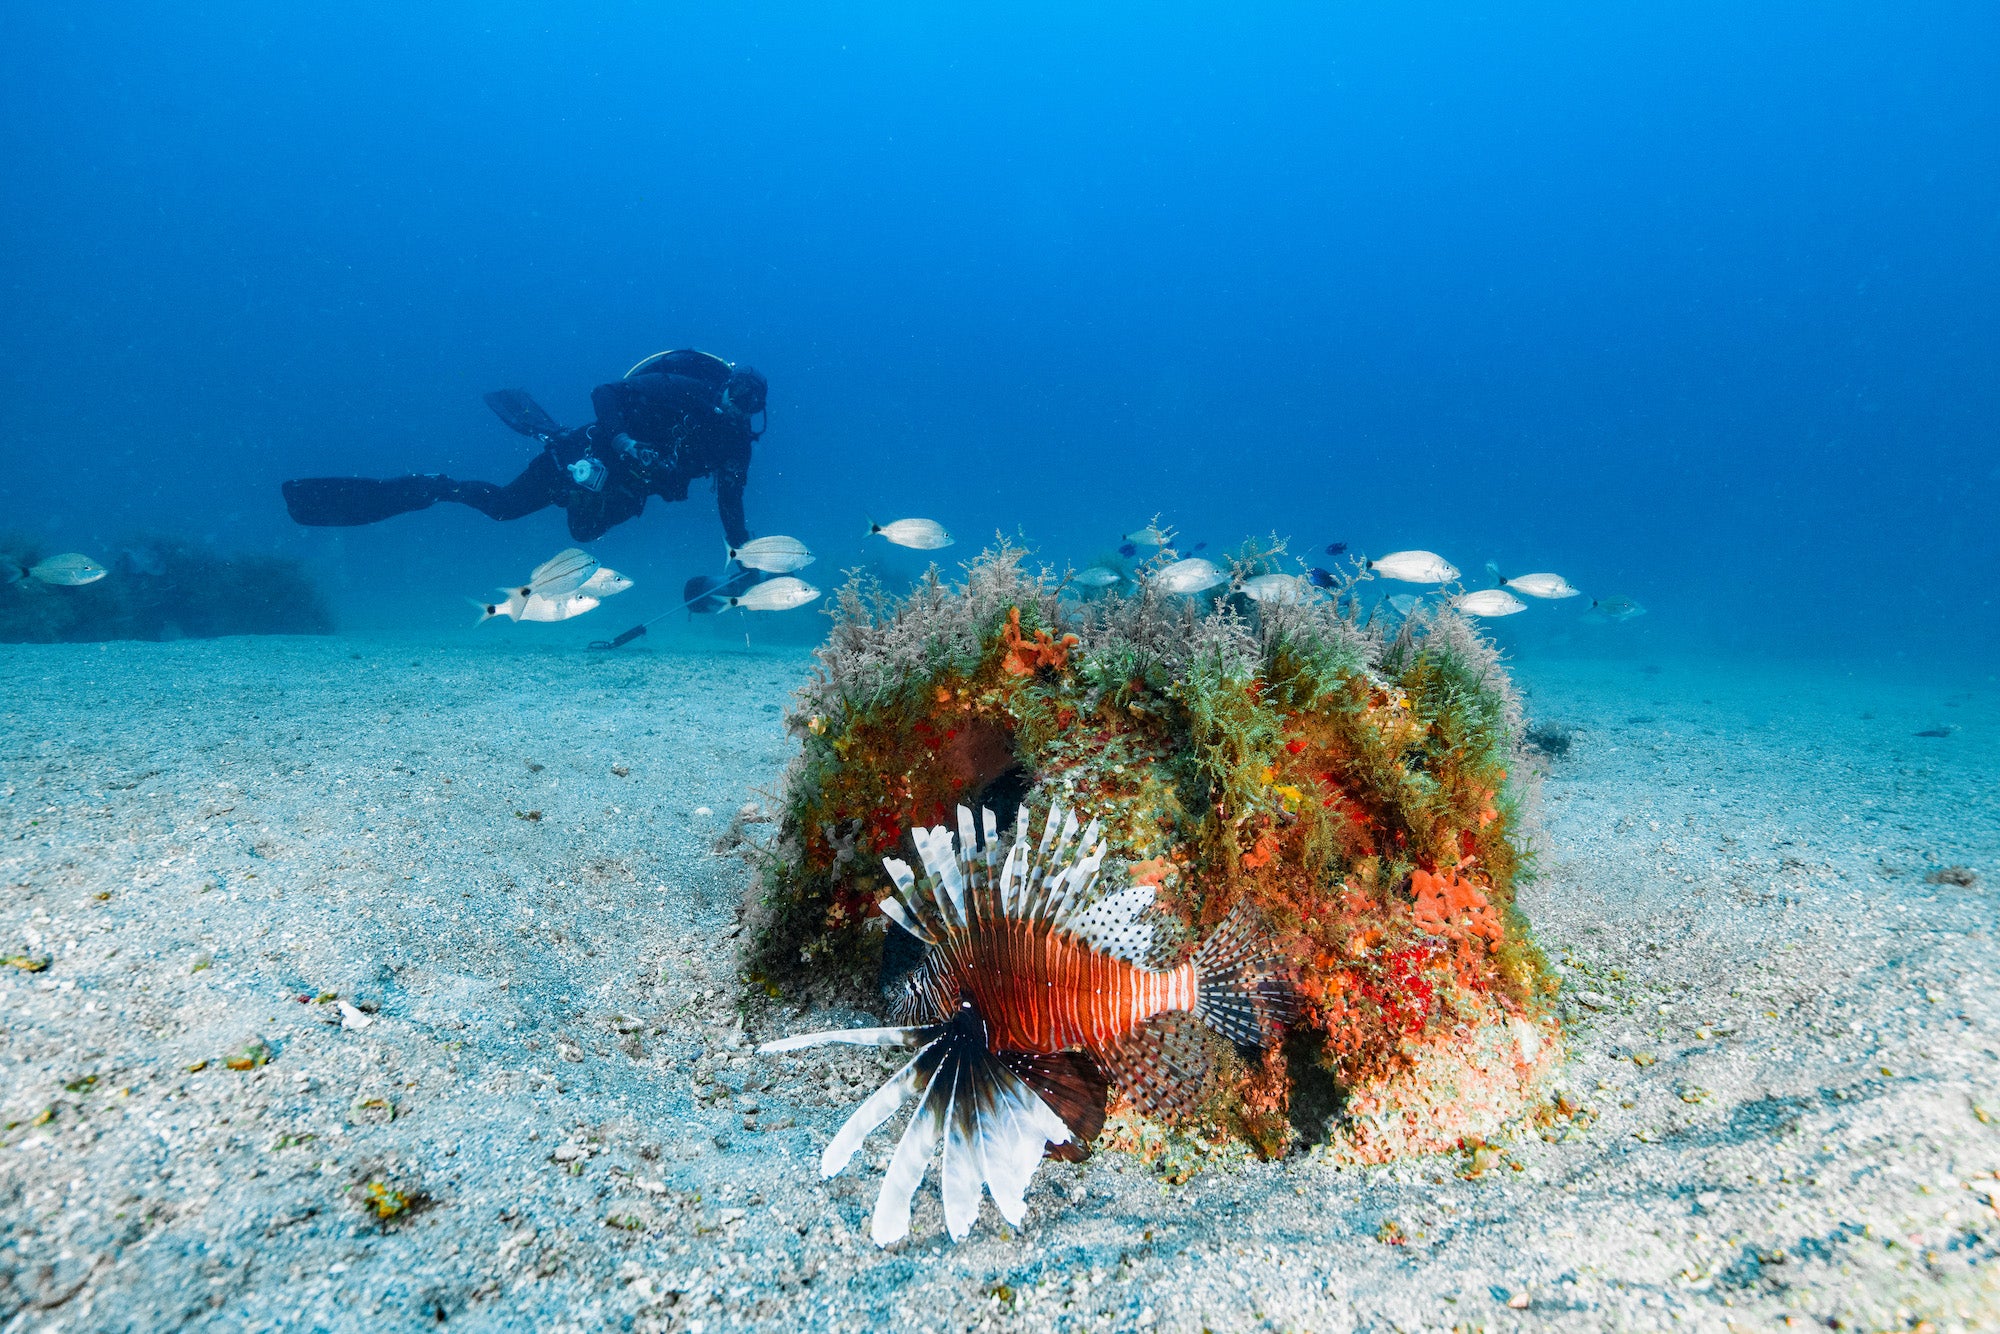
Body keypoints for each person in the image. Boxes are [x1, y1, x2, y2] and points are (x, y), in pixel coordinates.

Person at [281, 350, 766, 547]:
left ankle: (580, 496)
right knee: (504, 507)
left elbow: (731, 500)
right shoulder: (685, 390)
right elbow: (606, 393)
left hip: (626, 492)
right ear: (725, 385)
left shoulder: (736, 445)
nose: (738, 408)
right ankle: (435, 487)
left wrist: (742, 552)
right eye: (737, 394)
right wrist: (622, 439)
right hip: (587, 452)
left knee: (583, 534)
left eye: (750, 405)